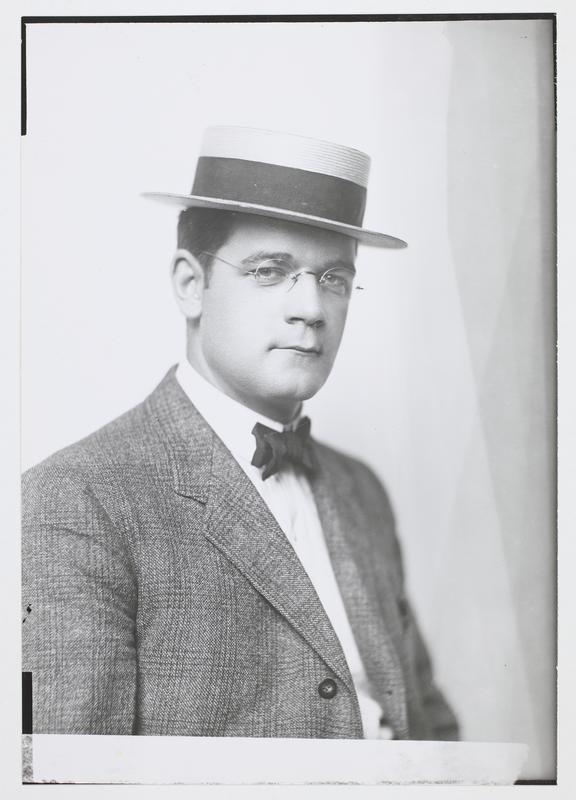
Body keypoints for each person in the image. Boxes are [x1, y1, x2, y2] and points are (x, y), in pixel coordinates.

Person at [22, 126, 458, 740]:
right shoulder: (75, 500)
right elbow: (74, 773)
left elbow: (433, 732)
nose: (311, 308)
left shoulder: (362, 490)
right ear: (190, 285)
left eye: (334, 278)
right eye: (270, 271)